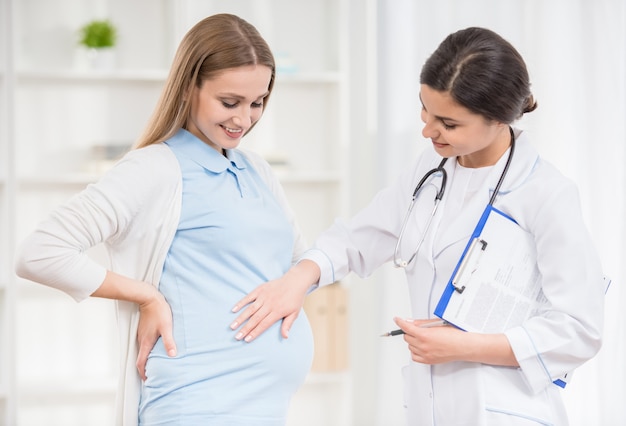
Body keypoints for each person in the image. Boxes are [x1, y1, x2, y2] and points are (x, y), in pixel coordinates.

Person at [230, 27, 605, 425]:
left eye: (448, 122)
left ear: (498, 119)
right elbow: (358, 240)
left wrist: (465, 346)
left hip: (508, 411)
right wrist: (297, 280)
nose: (428, 130)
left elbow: (580, 329)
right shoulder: (431, 171)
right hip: (433, 407)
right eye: (425, 109)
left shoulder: (545, 193)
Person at [15, 13, 313, 426]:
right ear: (190, 87)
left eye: (257, 102)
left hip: (265, 408)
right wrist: (145, 296)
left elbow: (303, 260)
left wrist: (294, 286)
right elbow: (39, 252)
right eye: (230, 102)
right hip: (196, 406)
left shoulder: (256, 170)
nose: (244, 120)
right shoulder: (155, 168)